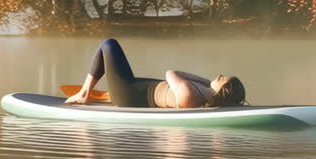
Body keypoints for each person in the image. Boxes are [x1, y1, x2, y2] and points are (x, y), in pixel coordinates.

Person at [64, 38, 247, 109]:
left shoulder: (190, 92)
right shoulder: (201, 97)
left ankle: (85, 93)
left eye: (222, 79)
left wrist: (205, 80)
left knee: (108, 45)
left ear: (224, 90)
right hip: (143, 89)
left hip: (130, 94)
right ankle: (104, 96)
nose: (218, 76)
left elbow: (171, 73)